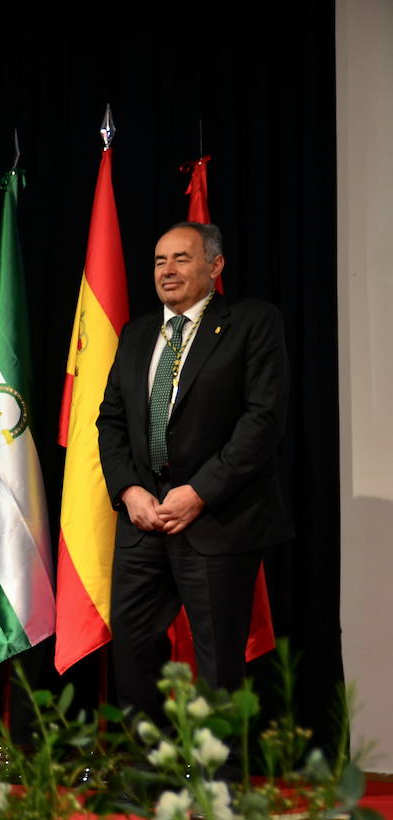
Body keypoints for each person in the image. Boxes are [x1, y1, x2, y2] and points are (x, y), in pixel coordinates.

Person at [97, 221, 290, 723]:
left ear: (215, 265)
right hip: (143, 521)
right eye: (160, 260)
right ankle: (147, 771)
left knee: (218, 659)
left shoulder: (252, 322)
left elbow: (262, 420)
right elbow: (111, 420)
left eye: (182, 258)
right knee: (133, 650)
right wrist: (128, 489)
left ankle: (221, 780)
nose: (168, 270)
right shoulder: (137, 333)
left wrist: (200, 492)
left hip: (216, 520)